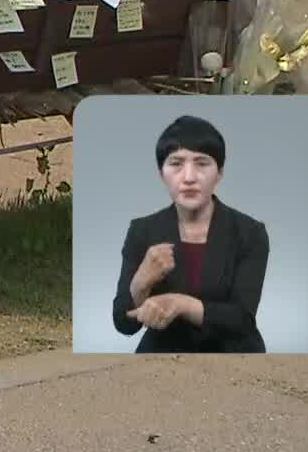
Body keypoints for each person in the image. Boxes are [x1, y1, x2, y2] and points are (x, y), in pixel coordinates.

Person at [112, 114, 270, 353]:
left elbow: (242, 320)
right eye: (176, 164)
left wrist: (181, 304)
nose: (188, 177)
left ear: (219, 172)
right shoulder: (142, 231)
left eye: (202, 163)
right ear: (161, 173)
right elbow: (123, 324)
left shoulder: (249, 233)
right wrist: (140, 284)